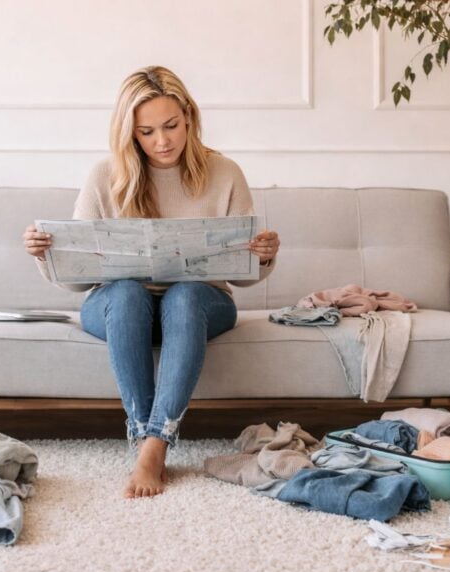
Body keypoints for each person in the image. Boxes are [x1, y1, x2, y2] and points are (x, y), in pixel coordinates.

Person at [23, 66, 280, 498]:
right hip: (122, 306)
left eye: (171, 126)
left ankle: (155, 444)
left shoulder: (225, 173)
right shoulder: (104, 175)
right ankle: (147, 436)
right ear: (129, 133)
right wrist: (45, 254)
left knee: (183, 296)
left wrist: (263, 257)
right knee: (125, 293)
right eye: (147, 132)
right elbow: (75, 283)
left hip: (200, 303)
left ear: (189, 119)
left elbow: (242, 274)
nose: (163, 142)